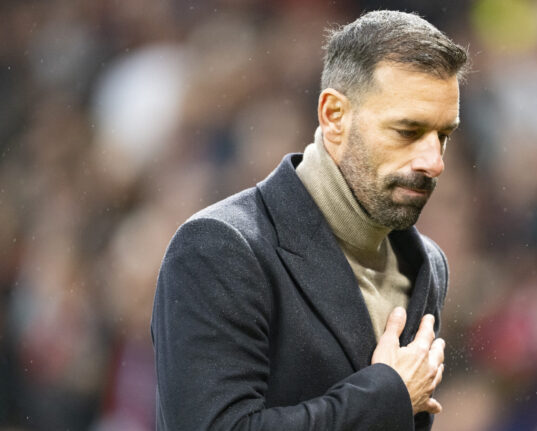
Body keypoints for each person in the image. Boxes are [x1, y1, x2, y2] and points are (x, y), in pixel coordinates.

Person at [151, 10, 468, 430]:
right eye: (407, 131)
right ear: (334, 115)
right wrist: (386, 394)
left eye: (443, 136)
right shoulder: (219, 248)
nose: (433, 162)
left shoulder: (427, 264)